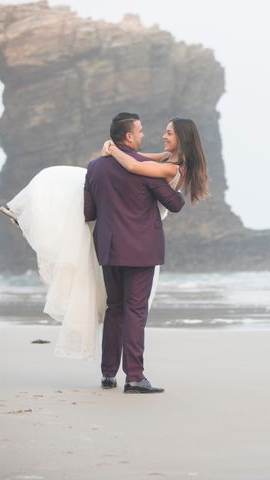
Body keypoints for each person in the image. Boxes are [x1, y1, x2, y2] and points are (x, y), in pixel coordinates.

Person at [84, 112, 185, 394]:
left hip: (109, 248)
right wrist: (180, 192)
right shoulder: (141, 169)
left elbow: (88, 212)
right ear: (129, 136)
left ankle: (107, 374)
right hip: (141, 250)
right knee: (135, 311)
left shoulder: (94, 168)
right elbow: (174, 204)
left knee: (114, 309)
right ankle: (135, 377)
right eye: (140, 131)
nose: (143, 135)